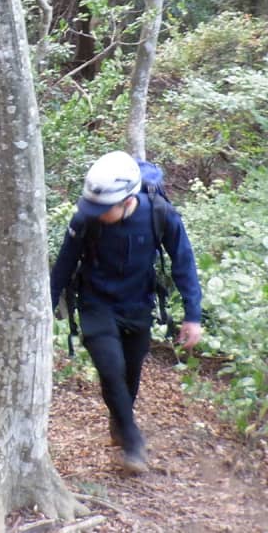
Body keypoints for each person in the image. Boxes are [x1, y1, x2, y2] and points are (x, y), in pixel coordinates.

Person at [50, 150, 203, 473]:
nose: (98, 214)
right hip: (96, 303)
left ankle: (120, 422)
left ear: (128, 200)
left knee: (129, 375)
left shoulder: (160, 214)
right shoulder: (85, 220)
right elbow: (64, 264)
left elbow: (184, 263)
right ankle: (133, 441)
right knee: (110, 368)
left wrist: (193, 315)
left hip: (138, 304)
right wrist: (45, 308)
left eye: (105, 209)